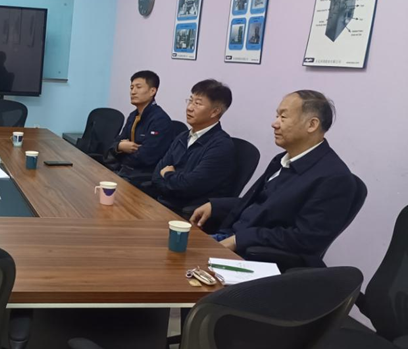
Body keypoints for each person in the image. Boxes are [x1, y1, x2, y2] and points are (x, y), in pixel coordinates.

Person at [190, 91, 356, 267]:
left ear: (312, 124)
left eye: (283, 117)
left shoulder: (334, 178)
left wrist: (241, 239)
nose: (274, 124)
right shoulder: (283, 159)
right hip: (231, 237)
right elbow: (263, 204)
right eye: (277, 116)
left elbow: (305, 238)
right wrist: (216, 206)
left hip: (255, 257)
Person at [151, 80, 235, 210]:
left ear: (214, 112)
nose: (189, 107)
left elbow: (189, 187)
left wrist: (168, 175)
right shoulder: (183, 136)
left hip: (187, 212)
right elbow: (157, 174)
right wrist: (171, 181)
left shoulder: (221, 146)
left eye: (198, 103)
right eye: (190, 101)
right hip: (162, 201)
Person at [106, 71, 173, 185]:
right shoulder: (133, 115)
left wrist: (121, 152)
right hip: (124, 171)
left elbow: (146, 157)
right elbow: (115, 143)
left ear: (152, 91)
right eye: (131, 87)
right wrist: (120, 146)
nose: (133, 92)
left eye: (138, 87)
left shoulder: (160, 120)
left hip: (142, 177)